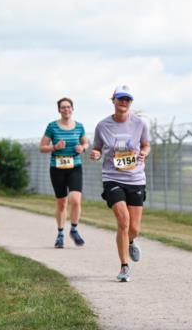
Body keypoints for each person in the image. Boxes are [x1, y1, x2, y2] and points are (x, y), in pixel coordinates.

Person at [90, 85, 151, 282]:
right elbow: (97, 148)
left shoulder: (140, 124)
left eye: (127, 100)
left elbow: (146, 144)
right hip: (112, 178)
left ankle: (131, 240)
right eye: (120, 99)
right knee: (123, 221)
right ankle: (124, 266)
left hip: (135, 178)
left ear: (130, 103)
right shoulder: (103, 125)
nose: (124, 103)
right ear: (113, 100)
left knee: (134, 228)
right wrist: (96, 153)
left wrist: (144, 152)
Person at [39, 97, 88, 248]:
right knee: (61, 203)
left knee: (75, 199)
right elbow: (42, 147)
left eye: (68, 107)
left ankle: (73, 229)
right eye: (63, 107)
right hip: (57, 168)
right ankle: (60, 234)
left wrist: (83, 148)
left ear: (72, 109)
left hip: (75, 167)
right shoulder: (52, 126)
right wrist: (55, 147)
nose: (66, 109)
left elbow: (86, 142)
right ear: (59, 110)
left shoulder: (79, 126)